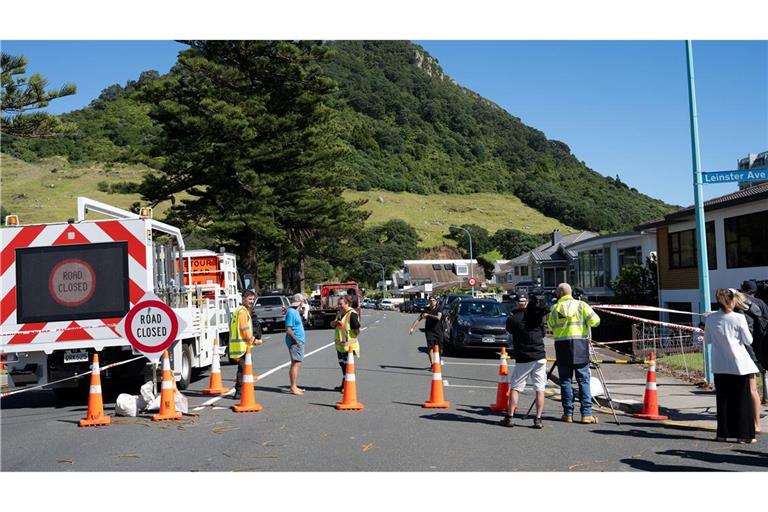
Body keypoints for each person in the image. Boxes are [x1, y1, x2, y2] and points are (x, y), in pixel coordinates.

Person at [705, 288, 758, 444]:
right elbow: (749, 340)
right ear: (732, 300)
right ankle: (744, 435)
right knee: (742, 400)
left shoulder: (711, 318)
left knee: (723, 400)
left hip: (719, 363)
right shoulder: (738, 318)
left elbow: (707, 340)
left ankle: (723, 433)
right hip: (738, 364)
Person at [547, 282, 601, 424]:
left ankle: (568, 414)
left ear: (559, 294)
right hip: (580, 347)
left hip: (562, 347)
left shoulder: (554, 308)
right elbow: (596, 321)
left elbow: (550, 326)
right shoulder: (581, 305)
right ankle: (586, 414)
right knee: (583, 380)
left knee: (565, 381)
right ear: (570, 292)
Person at [499, 294, 548, 429]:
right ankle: (538, 419)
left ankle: (509, 417)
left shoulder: (513, 319)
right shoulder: (537, 317)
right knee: (540, 389)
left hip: (524, 357)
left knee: (516, 387)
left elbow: (509, 330)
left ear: (516, 303)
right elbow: (543, 333)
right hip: (539, 355)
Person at [734, 286, 766, 433]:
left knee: (748, 389)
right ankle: (756, 420)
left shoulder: (739, 314)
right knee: (755, 387)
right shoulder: (759, 305)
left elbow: (746, 338)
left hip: (747, 353)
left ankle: (751, 421)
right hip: (760, 350)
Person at [229, 290, 263, 400]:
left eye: (253, 300)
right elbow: (244, 330)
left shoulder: (238, 310)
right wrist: (254, 341)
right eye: (249, 299)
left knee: (242, 369)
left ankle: (240, 391)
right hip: (242, 346)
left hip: (238, 346)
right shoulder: (243, 312)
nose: (251, 302)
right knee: (244, 370)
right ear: (243, 299)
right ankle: (240, 392)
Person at [330, 296, 360, 391]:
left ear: (347, 304)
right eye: (338, 304)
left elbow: (357, 329)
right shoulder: (339, 313)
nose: (338, 306)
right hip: (340, 346)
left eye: (341, 304)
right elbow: (332, 325)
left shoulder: (352, 314)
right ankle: (344, 384)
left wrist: (351, 337)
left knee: (349, 366)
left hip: (348, 346)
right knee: (342, 365)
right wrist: (334, 323)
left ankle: (349, 386)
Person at [409, 296, 443, 366]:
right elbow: (418, 319)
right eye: (430, 300)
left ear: (436, 301)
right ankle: (432, 364)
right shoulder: (426, 310)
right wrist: (412, 328)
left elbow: (438, 317)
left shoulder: (439, 308)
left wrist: (428, 315)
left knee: (440, 349)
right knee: (430, 348)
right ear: (429, 301)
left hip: (438, 331)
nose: (432, 302)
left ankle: (439, 359)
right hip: (429, 331)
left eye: (433, 300)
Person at [285, 293, 306, 395]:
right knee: (296, 363)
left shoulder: (295, 311)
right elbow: (288, 329)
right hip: (295, 342)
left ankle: (294, 386)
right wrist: (296, 340)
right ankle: (293, 387)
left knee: (297, 363)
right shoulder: (291, 312)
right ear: (300, 302)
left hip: (297, 341)